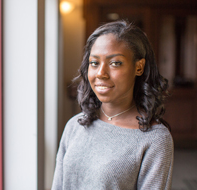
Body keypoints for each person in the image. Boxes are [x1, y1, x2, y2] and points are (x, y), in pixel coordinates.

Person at [52, 20, 174, 190]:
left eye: (115, 63)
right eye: (94, 63)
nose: (101, 73)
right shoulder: (75, 125)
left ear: (139, 67)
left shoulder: (154, 138)